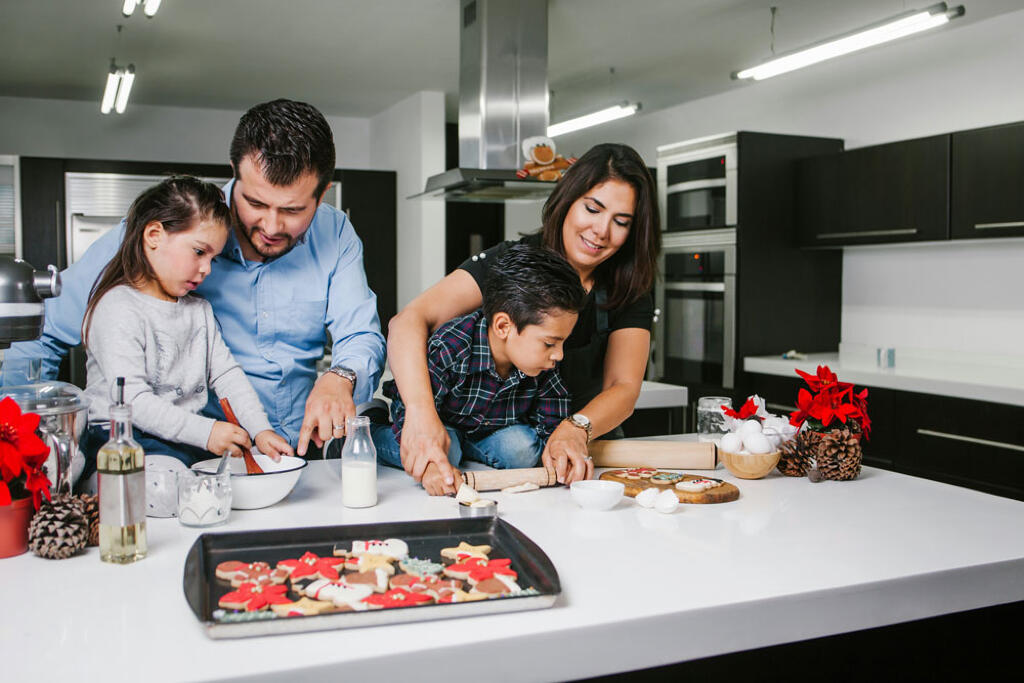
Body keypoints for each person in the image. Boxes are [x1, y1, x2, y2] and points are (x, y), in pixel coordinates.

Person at [2, 99, 385, 457]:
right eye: (255, 203)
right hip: (191, 455)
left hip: (297, 453)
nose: (270, 225)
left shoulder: (335, 234)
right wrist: (24, 452)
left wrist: (341, 377)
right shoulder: (161, 238)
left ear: (323, 195)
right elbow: (38, 334)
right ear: (234, 173)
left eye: (292, 210)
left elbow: (361, 336)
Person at [387, 143, 660, 495]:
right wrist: (421, 414)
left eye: (621, 221)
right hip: (513, 458)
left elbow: (623, 388)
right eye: (592, 209)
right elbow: (409, 321)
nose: (601, 231)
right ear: (568, 199)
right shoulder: (509, 264)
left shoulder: (629, 287)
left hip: (583, 456)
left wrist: (574, 429)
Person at [79, 176, 292, 469]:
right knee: (173, 483)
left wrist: (260, 430)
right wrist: (207, 433)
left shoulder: (199, 310)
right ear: (154, 235)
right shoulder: (117, 308)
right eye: (199, 252)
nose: (205, 269)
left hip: (183, 438)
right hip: (121, 439)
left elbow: (227, 375)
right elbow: (133, 403)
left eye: (212, 259)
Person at [373, 243, 587, 495]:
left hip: (487, 433)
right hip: (441, 426)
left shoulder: (541, 362)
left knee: (524, 449)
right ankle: (371, 429)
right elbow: (410, 418)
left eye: (562, 343)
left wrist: (558, 451)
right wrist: (430, 466)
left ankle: (462, 449)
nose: (559, 355)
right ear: (503, 326)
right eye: (550, 343)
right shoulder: (451, 347)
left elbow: (552, 414)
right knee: (446, 453)